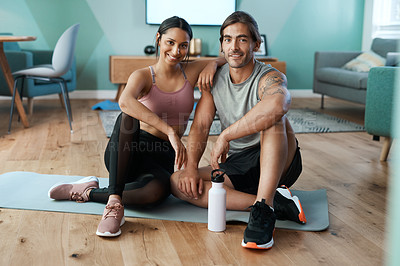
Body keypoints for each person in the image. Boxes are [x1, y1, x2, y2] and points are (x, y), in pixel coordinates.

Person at [47, 16, 225, 237]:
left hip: (163, 156)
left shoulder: (190, 71)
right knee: (128, 116)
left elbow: (227, 56)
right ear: (159, 39)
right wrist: (169, 130)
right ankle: (113, 204)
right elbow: (124, 101)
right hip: (129, 149)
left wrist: (211, 64)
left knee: (156, 193)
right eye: (170, 42)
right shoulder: (143, 75)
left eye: (183, 45)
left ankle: (88, 192)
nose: (176, 50)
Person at [170, 11, 306, 250]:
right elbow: (201, 125)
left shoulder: (269, 76)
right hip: (240, 163)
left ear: (256, 44)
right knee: (178, 181)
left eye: (242, 39)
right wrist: (191, 168)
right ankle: (271, 203)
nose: (234, 46)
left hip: (279, 157)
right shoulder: (214, 80)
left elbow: (278, 103)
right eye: (228, 39)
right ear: (222, 44)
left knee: (273, 118)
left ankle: (263, 210)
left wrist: (226, 135)